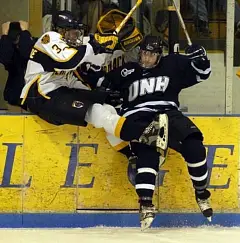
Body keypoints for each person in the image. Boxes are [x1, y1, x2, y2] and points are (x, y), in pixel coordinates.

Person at [100, 35, 212, 230]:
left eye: (151, 55)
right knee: (146, 155)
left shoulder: (173, 64)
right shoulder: (127, 71)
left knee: (195, 147)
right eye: (143, 54)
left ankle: (201, 193)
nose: (146, 59)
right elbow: (101, 86)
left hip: (169, 113)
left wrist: (201, 58)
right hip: (139, 117)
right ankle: (145, 204)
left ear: (160, 55)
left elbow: (203, 73)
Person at [20, 10, 165, 150]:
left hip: (58, 92)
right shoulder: (49, 38)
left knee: (107, 107)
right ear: (59, 30)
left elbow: (88, 63)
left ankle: (129, 153)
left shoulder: (72, 46)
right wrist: (93, 45)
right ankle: (144, 135)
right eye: (71, 32)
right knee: (95, 111)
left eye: (76, 33)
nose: (74, 36)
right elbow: (69, 61)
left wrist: (111, 42)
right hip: (38, 95)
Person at [0, 21, 36, 110]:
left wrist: (25, 33)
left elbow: (28, 54)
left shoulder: (31, 43)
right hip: (14, 95)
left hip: (34, 96)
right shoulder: (7, 46)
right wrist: (5, 37)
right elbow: (5, 58)